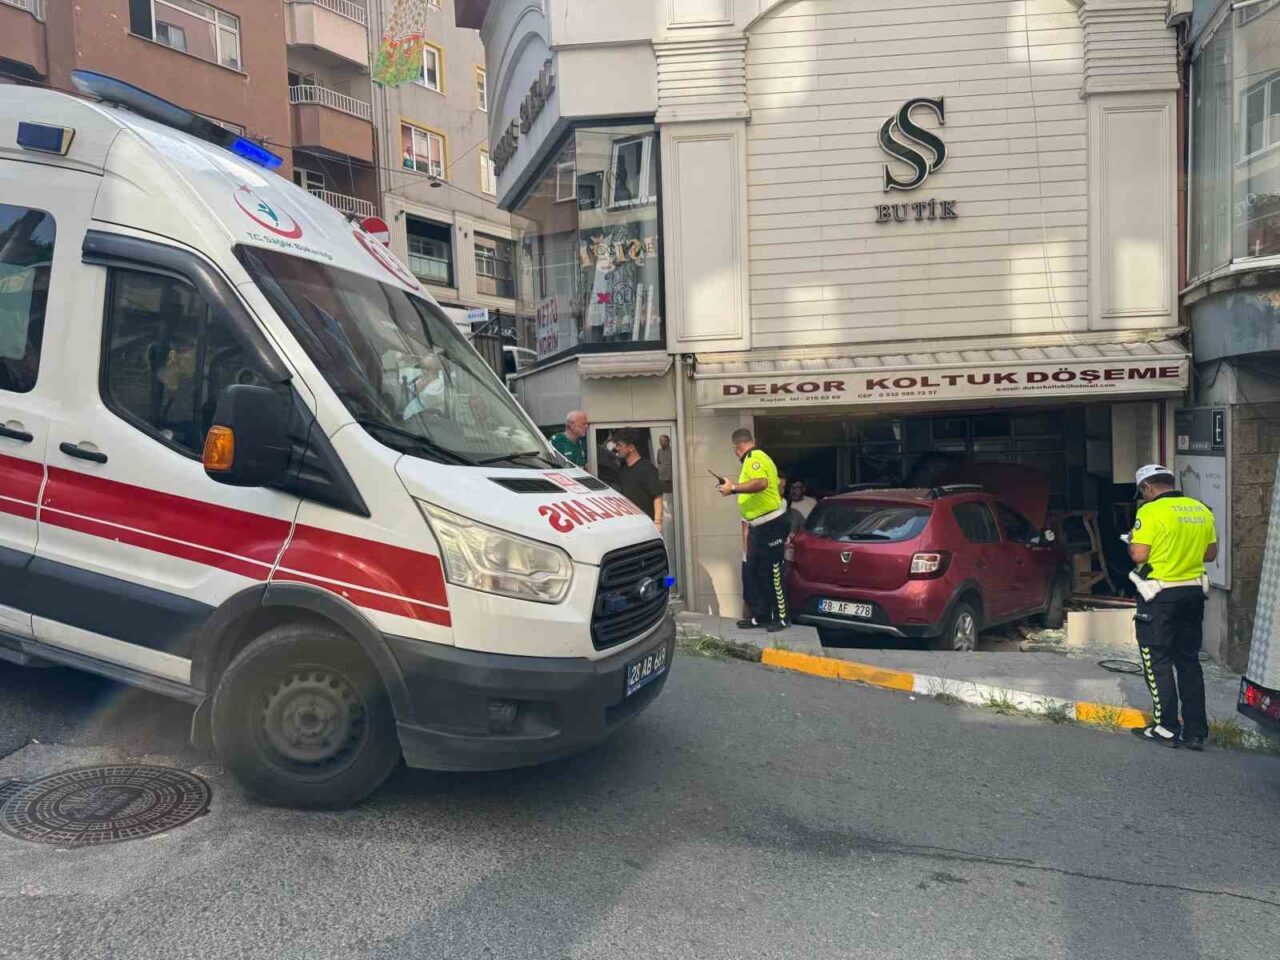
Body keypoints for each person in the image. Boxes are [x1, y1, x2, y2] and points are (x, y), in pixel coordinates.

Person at [1127, 464, 1218, 750]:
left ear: (1147, 488)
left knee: (1157, 660)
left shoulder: (1150, 511)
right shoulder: (1201, 509)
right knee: (1189, 661)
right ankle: (1195, 731)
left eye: (1142, 493)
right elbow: (1211, 553)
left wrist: (1132, 542)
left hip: (1159, 596)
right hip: (1192, 594)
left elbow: (1140, 554)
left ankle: (1166, 728)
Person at [718, 427, 789, 633]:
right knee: (752, 573)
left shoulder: (755, 457)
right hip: (758, 526)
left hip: (771, 524)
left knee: (773, 571)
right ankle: (762, 616)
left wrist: (733, 488)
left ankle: (782, 618)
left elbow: (761, 482)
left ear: (736, 447)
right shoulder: (751, 460)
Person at [613, 429, 663, 530]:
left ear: (631, 447)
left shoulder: (648, 468)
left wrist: (657, 522)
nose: (617, 448)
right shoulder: (622, 470)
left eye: (619, 445)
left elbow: (658, 497)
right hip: (628, 524)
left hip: (646, 525)